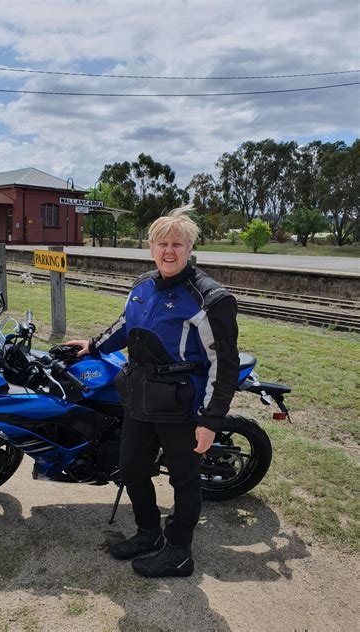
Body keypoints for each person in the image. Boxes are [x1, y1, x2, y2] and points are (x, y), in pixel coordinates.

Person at [66, 206, 239, 578]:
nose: (169, 251)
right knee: (131, 468)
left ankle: (179, 552)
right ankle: (149, 534)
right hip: (139, 396)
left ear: (190, 248)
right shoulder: (143, 285)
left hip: (181, 405)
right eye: (162, 243)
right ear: (151, 248)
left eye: (178, 244)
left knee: (185, 479)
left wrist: (210, 421)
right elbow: (125, 326)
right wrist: (94, 346)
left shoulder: (210, 299)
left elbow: (225, 365)